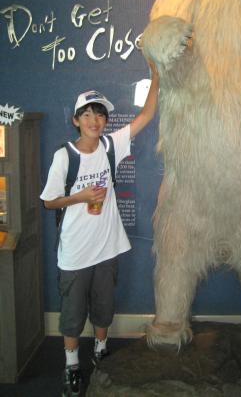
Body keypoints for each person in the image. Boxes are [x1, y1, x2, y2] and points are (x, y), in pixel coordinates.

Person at [40, 62, 159, 396]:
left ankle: (100, 350)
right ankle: (71, 365)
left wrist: (157, 73)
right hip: (75, 253)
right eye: (88, 115)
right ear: (76, 120)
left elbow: (146, 116)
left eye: (100, 115)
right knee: (73, 313)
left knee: (104, 307)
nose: (95, 121)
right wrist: (78, 197)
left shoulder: (111, 146)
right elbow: (49, 201)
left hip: (107, 247)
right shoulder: (65, 156)